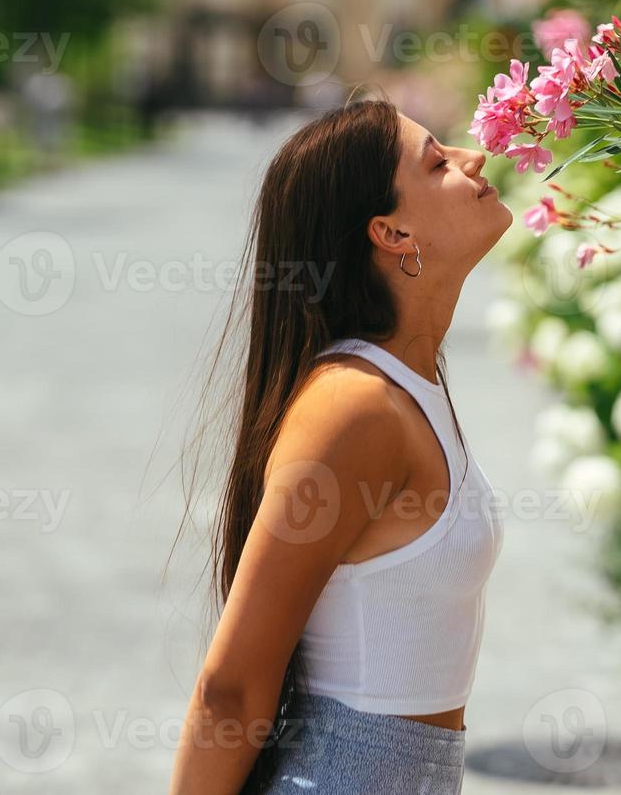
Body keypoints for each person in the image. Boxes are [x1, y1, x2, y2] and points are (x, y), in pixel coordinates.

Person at [170, 99, 513, 794]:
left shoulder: (408, 386)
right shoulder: (352, 408)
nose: (474, 158)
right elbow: (230, 688)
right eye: (438, 162)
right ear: (390, 231)